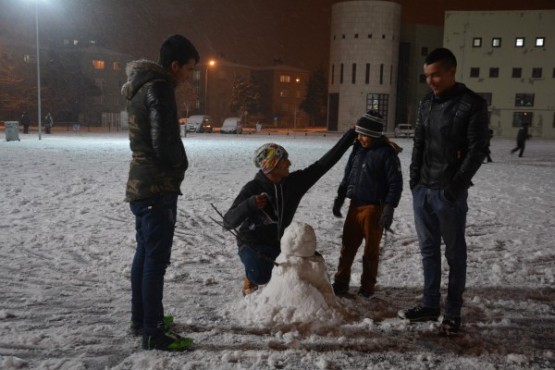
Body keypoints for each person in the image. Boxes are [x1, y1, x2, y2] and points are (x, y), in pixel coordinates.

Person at [399, 48, 489, 335]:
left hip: (448, 193)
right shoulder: (426, 103)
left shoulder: (471, 104)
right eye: (427, 76)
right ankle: (429, 304)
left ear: (452, 71)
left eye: (436, 74)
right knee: (427, 251)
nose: (431, 81)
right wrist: (415, 182)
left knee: (455, 254)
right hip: (423, 190)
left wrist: (454, 188)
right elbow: (419, 143)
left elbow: (477, 150)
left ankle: (451, 312)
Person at [121, 34, 199, 351]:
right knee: (155, 260)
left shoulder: (143, 85)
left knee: (144, 254)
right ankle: (152, 331)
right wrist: (180, 164)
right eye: (190, 70)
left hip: (142, 185)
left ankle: (142, 319)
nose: (190, 76)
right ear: (175, 66)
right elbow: (163, 141)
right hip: (156, 187)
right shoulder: (160, 88)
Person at [223, 127, 358, 296]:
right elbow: (227, 222)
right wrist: (249, 204)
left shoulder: (293, 184)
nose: (289, 163)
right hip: (252, 244)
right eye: (284, 159)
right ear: (272, 164)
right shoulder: (252, 189)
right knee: (261, 275)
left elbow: (322, 166)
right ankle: (251, 278)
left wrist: (350, 136)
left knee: (310, 266)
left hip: (279, 244)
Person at [331, 110, 403, 298]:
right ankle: (340, 282)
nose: (361, 138)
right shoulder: (357, 150)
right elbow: (348, 176)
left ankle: (367, 287)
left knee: (370, 252)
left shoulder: (386, 154)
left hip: (374, 210)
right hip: (354, 206)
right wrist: (340, 197)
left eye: (366, 135)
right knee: (347, 247)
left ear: (375, 135)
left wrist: (389, 208)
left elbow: (395, 184)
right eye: (360, 134)